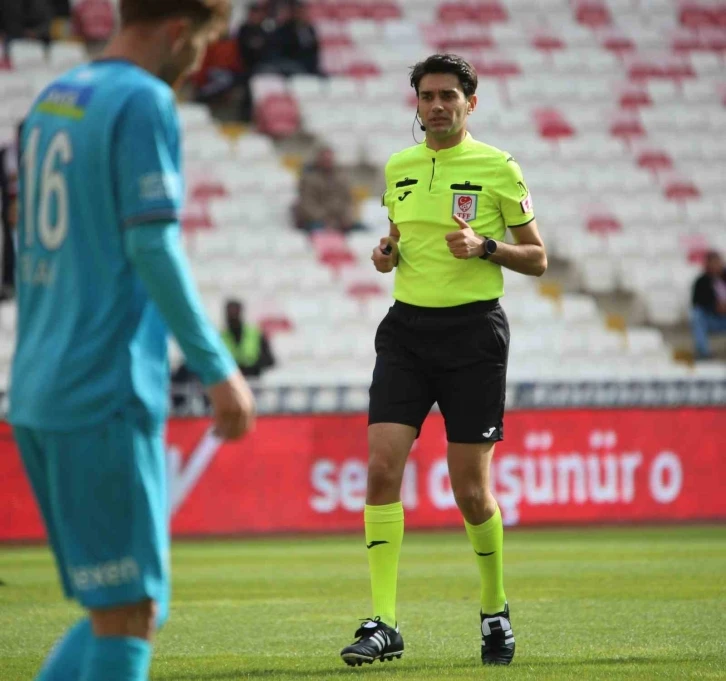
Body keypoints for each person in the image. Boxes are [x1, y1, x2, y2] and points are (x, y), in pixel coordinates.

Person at [9, 2, 257, 681]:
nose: (199, 62)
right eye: (201, 44)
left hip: (39, 383)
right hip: (103, 387)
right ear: (177, 31)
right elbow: (152, 243)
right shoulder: (144, 100)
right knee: (129, 612)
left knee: (127, 606)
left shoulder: (56, 97)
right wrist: (217, 368)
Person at [339, 54, 547, 668]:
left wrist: (487, 246)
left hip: (473, 337)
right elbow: (398, 241)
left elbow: (538, 258)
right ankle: (383, 622)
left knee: (471, 491)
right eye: (427, 96)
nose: (436, 105)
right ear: (417, 103)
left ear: (470, 103)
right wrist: (386, 253)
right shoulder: (399, 167)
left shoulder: (498, 167)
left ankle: (494, 609)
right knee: (381, 469)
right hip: (405, 332)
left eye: (448, 96)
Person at [294, 145, 365, 234]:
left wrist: (346, 218)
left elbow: (348, 201)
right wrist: (327, 220)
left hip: (340, 220)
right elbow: (307, 204)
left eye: (329, 159)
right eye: (324, 159)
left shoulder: (341, 178)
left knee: (363, 231)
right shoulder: (308, 179)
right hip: (316, 220)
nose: (327, 162)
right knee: (320, 230)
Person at [221, 299, 275, 378]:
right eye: (230, 313)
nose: (233, 316)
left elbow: (269, 360)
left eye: (235, 312)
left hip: (253, 379)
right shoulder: (221, 337)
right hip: (231, 380)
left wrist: (251, 366)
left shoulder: (255, 334)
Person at [691, 250, 726, 360]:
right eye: (713, 263)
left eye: (718, 262)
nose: (716, 266)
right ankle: (703, 353)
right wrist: (714, 306)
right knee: (697, 315)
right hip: (711, 318)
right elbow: (696, 302)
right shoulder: (701, 282)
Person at [270, 1, 319, 76]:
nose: (302, 15)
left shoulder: (310, 29)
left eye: (303, 12)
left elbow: (314, 49)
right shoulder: (286, 29)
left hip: (309, 67)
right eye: (299, 12)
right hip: (292, 66)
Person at [0, 137, 17, 300]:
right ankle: (8, 281)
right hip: (8, 206)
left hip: (22, 206)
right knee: (9, 245)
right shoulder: (5, 153)